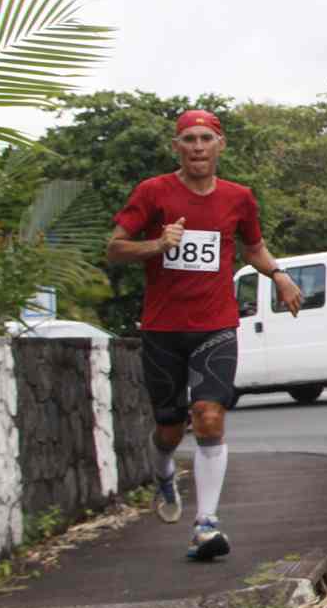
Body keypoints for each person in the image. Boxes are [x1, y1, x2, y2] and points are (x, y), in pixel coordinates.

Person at [107, 109, 302, 561]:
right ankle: (162, 475)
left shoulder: (239, 197)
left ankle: (206, 524)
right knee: (170, 431)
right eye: (189, 139)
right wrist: (156, 245)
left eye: (205, 139)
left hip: (215, 324)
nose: (197, 147)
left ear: (220, 145)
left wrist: (278, 274)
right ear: (177, 146)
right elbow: (115, 248)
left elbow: (253, 246)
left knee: (210, 416)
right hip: (162, 330)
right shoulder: (153, 192)